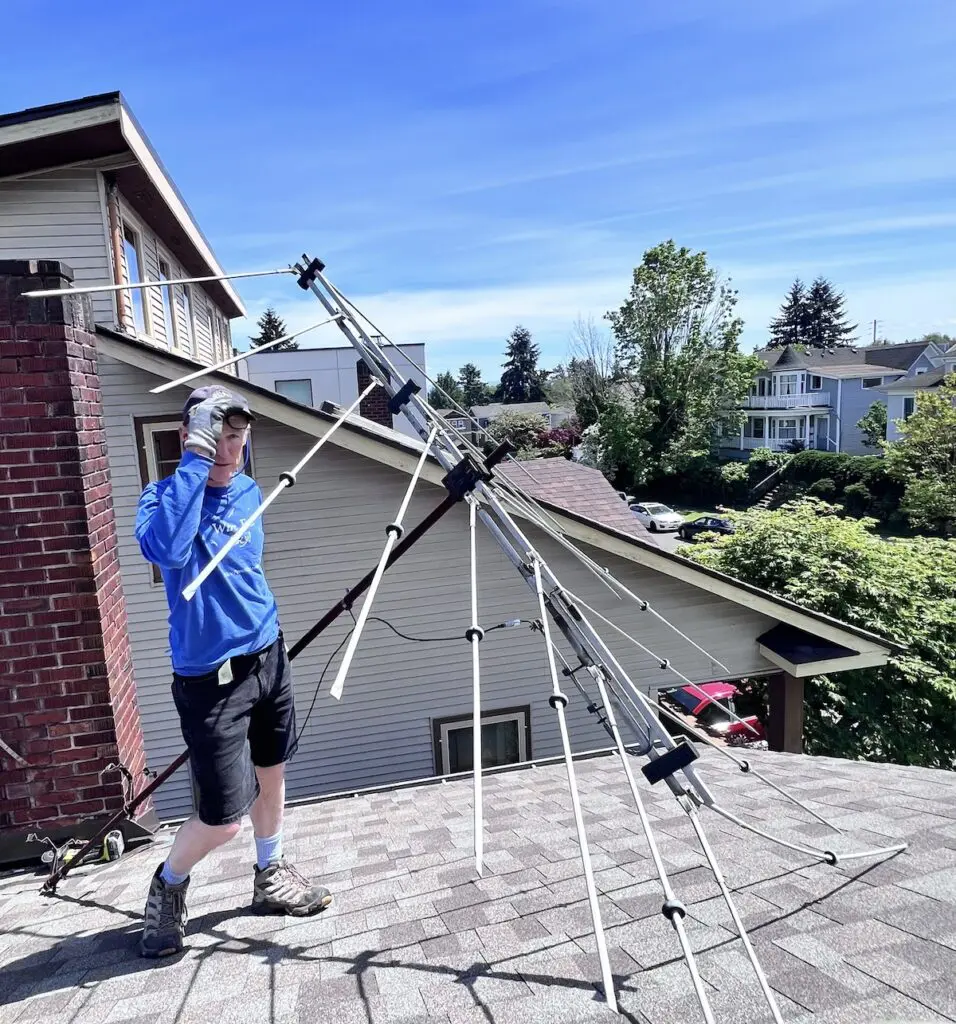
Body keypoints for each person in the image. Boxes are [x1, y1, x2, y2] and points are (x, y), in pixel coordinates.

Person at [134, 384, 331, 959]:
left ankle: (270, 875)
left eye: (237, 436)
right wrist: (194, 462)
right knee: (222, 820)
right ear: (190, 436)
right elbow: (167, 553)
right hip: (209, 676)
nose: (228, 447)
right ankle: (169, 885)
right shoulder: (162, 497)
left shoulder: (247, 490)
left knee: (273, 772)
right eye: (217, 435)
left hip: (268, 653)